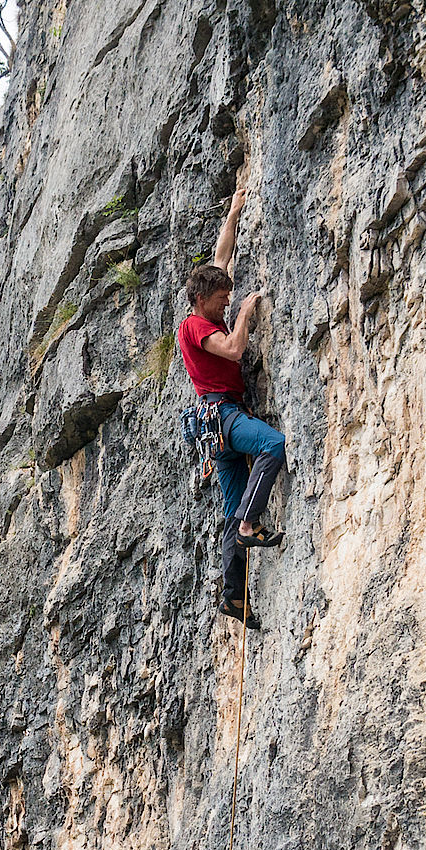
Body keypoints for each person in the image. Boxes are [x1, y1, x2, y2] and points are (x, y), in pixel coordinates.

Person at [177, 188, 287, 629]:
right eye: (222, 297)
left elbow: (222, 254)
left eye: (229, 297)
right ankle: (250, 525)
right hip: (222, 415)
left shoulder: (207, 302)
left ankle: (234, 596)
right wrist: (244, 312)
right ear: (205, 298)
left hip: (213, 432)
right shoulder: (196, 326)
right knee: (272, 445)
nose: (228, 299)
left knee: (231, 506)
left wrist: (235, 209)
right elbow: (236, 349)